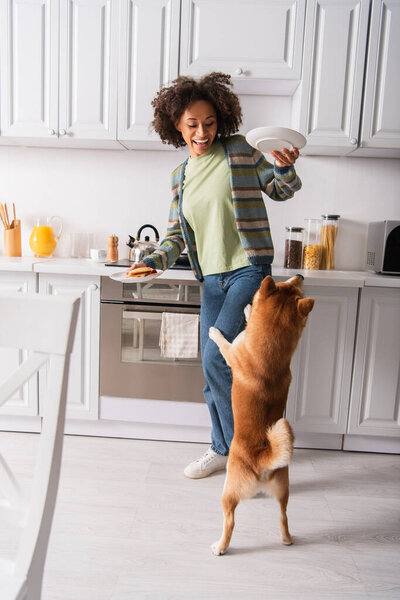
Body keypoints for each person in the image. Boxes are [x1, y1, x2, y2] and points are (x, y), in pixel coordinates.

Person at [128, 72, 302, 479]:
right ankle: (225, 448)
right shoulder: (180, 177)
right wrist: (155, 261)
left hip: (248, 270)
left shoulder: (239, 151)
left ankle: (250, 452)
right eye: (193, 124)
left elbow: (280, 190)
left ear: (220, 120)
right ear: (176, 125)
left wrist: (286, 169)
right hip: (212, 281)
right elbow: (175, 236)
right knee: (212, 369)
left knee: (216, 357)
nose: (203, 132)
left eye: (209, 123)